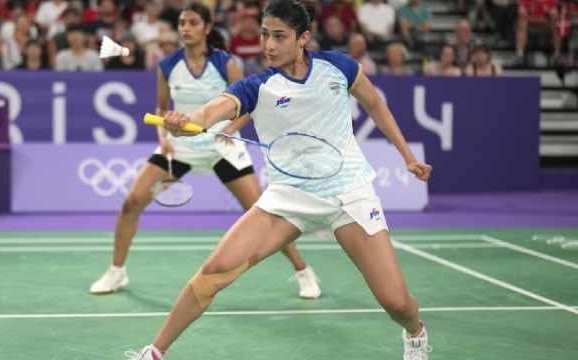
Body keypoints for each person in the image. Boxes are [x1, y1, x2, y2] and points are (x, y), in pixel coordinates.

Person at [126, 1, 433, 359]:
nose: (268, 45)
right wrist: (186, 121)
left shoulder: (339, 67)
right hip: (288, 196)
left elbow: (375, 104)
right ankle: (154, 352)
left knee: (396, 302)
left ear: (303, 38)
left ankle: (415, 332)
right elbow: (210, 113)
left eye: (279, 36)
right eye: (264, 35)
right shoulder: (257, 85)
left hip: (348, 193)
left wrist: (407, 156)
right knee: (214, 272)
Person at [90, 1, 322, 301]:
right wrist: (164, 137)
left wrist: (232, 129)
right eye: (182, 23)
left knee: (265, 214)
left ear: (207, 27)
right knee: (132, 202)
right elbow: (162, 109)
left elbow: (250, 101)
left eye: (192, 23)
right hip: (182, 147)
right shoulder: (167, 65)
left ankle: (303, 271)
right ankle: (116, 271)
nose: (185, 28)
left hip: (220, 146)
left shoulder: (224, 62)